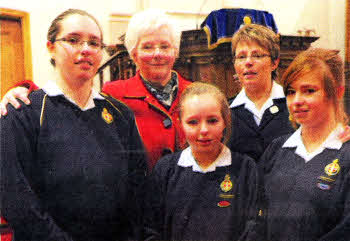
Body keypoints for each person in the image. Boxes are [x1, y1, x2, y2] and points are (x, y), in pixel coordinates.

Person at [0, 9, 147, 241]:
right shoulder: (22, 113)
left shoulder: (121, 115)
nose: (86, 49)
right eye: (73, 40)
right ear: (51, 47)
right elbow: (15, 197)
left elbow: (138, 189)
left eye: (94, 43)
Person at [0, 9, 192, 170]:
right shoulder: (115, 95)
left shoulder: (197, 95)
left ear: (176, 51)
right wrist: (23, 90)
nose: (157, 54)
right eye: (148, 47)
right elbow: (69, 100)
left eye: (165, 46)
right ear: (134, 54)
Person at [144, 82, 259, 241]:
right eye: (193, 122)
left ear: (225, 121)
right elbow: (150, 229)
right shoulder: (166, 170)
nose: (204, 130)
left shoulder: (245, 169)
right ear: (180, 123)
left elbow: (253, 228)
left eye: (212, 121)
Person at [260, 48, 350, 241]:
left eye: (309, 91)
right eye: (291, 92)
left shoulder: (346, 154)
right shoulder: (277, 150)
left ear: (337, 92)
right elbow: (255, 216)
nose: (297, 101)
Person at [227, 24, 294, 161]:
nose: (248, 62)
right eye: (241, 57)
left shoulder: (293, 103)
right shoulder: (226, 110)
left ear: (274, 63)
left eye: (257, 55)